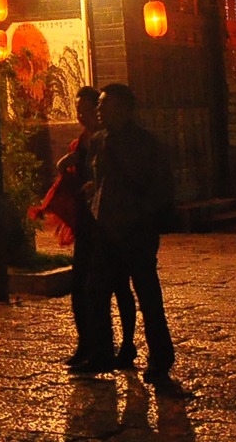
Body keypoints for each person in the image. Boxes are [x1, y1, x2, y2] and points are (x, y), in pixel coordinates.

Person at [78, 83, 177, 386]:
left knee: (147, 296)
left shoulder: (145, 144)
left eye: (105, 104)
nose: (99, 109)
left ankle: (160, 358)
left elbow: (159, 186)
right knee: (95, 291)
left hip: (136, 230)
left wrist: (141, 214)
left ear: (124, 108)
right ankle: (101, 351)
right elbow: (99, 180)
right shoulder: (98, 141)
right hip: (107, 229)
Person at [33, 87, 137, 368]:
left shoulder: (112, 141)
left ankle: (123, 346)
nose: (83, 115)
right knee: (83, 287)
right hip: (88, 224)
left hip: (113, 225)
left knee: (117, 286)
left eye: (89, 109)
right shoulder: (84, 143)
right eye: (78, 110)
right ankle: (88, 345)